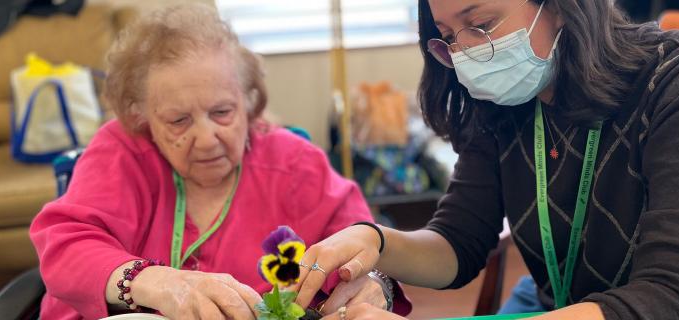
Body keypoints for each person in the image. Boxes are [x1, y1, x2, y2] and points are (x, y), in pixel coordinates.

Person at [293, 0, 679, 319]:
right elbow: (459, 242)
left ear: (562, 8)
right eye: (449, 36)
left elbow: (676, 298)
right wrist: (375, 241)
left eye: (480, 25)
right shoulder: (505, 103)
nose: (465, 56)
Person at [29, 4, 410, 319]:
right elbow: (65, 248)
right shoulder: (122, 151)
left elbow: (365, 246)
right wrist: (160, 283)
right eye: (179, 120)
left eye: (223, 112)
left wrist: (375, 285)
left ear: (249, 100)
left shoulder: (296, 164)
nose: (207, 138)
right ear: (142, 115)